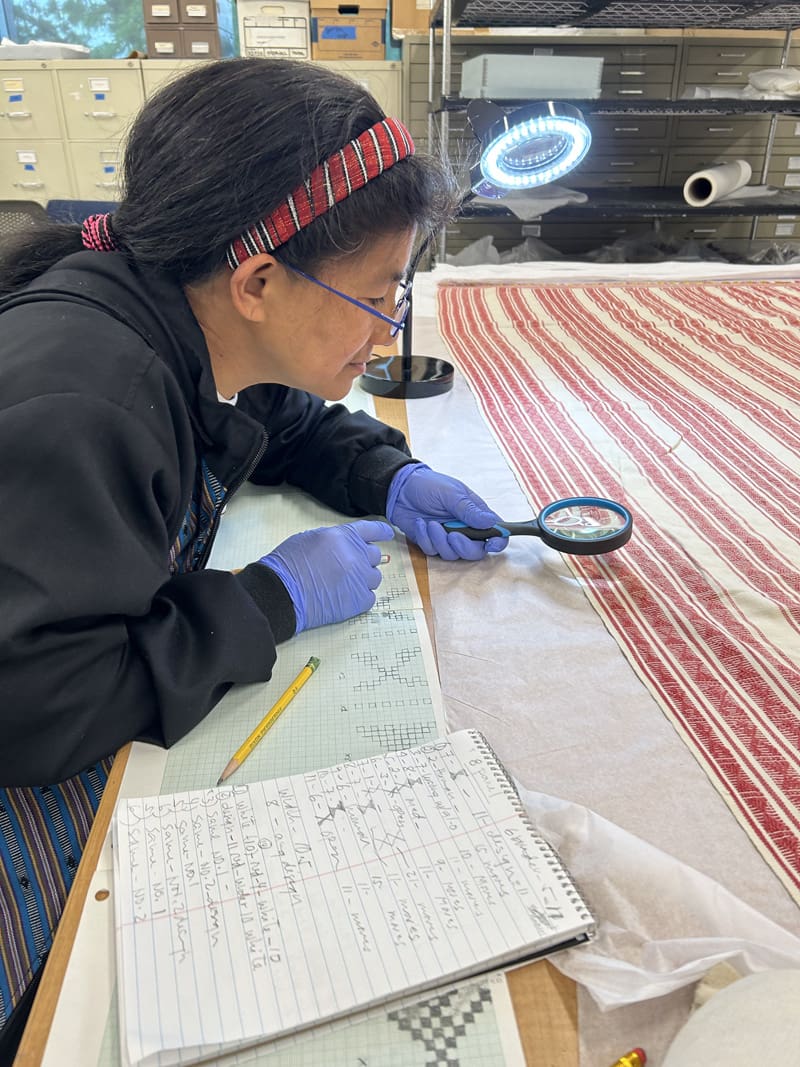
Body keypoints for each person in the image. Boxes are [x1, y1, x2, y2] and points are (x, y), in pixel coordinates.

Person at [0, 57, 507, 1057]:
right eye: (376, 296)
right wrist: (268, 599)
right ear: (259, 280)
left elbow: (278, 417)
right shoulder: (84, 404)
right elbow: (38, 706)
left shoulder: (180, 322)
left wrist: (386, 475)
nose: (386, 331)